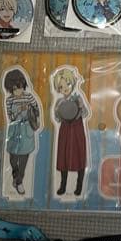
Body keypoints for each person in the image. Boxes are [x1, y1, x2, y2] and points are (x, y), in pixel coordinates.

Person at [51, 66, 90, 196]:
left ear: (72, 83)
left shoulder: (77, 98)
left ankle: (79, 186)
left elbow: (85, 113)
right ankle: (63, 185)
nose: (65, 88)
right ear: (58, 89)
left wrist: (81, 106)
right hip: (65, 130)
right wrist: (58, 111)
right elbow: (57, 118)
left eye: (67, 84)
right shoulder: (59, 101)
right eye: (61, 86)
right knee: (64, 156)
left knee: (79, 155)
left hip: (77, 129)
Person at [4, 67, 41, 196]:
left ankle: (19, 182)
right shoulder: (9, 100)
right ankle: (15, 176)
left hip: (26, 129)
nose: (18, 91)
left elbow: (36, 109)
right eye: (14, 89)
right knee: (13, 158)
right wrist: (18, 112)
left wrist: (34, 116)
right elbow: (10, 116)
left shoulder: (29, 97)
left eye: (19, 87)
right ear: (10, 89)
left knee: (24, 158)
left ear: (23, 85)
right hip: (14, 130)